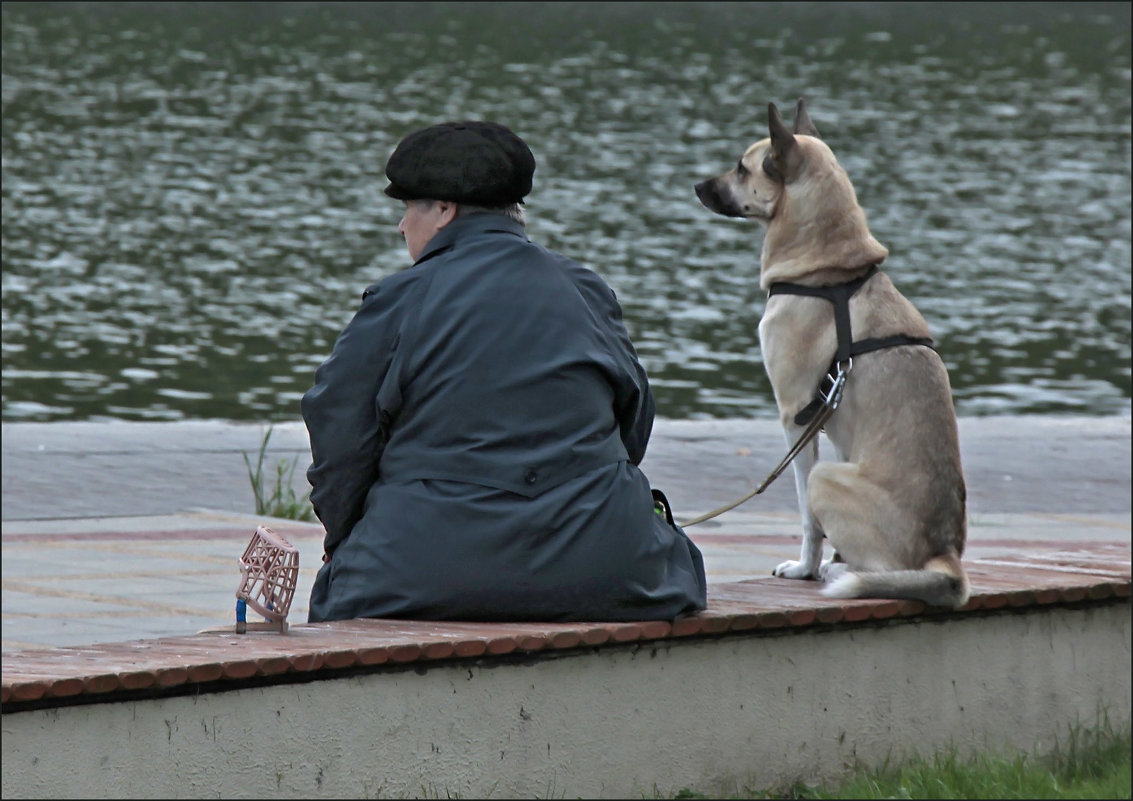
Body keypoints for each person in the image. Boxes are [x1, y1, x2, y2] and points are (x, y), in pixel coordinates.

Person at [302, 120, 707, 623]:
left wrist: (352, 539)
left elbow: (340, 436)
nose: (402, 226)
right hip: (610, 570)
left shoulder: (400, 299)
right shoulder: (585, 289)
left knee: (338, 596)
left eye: (408, 208)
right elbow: (634, 425)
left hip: (417, 570)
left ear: (445, 210)